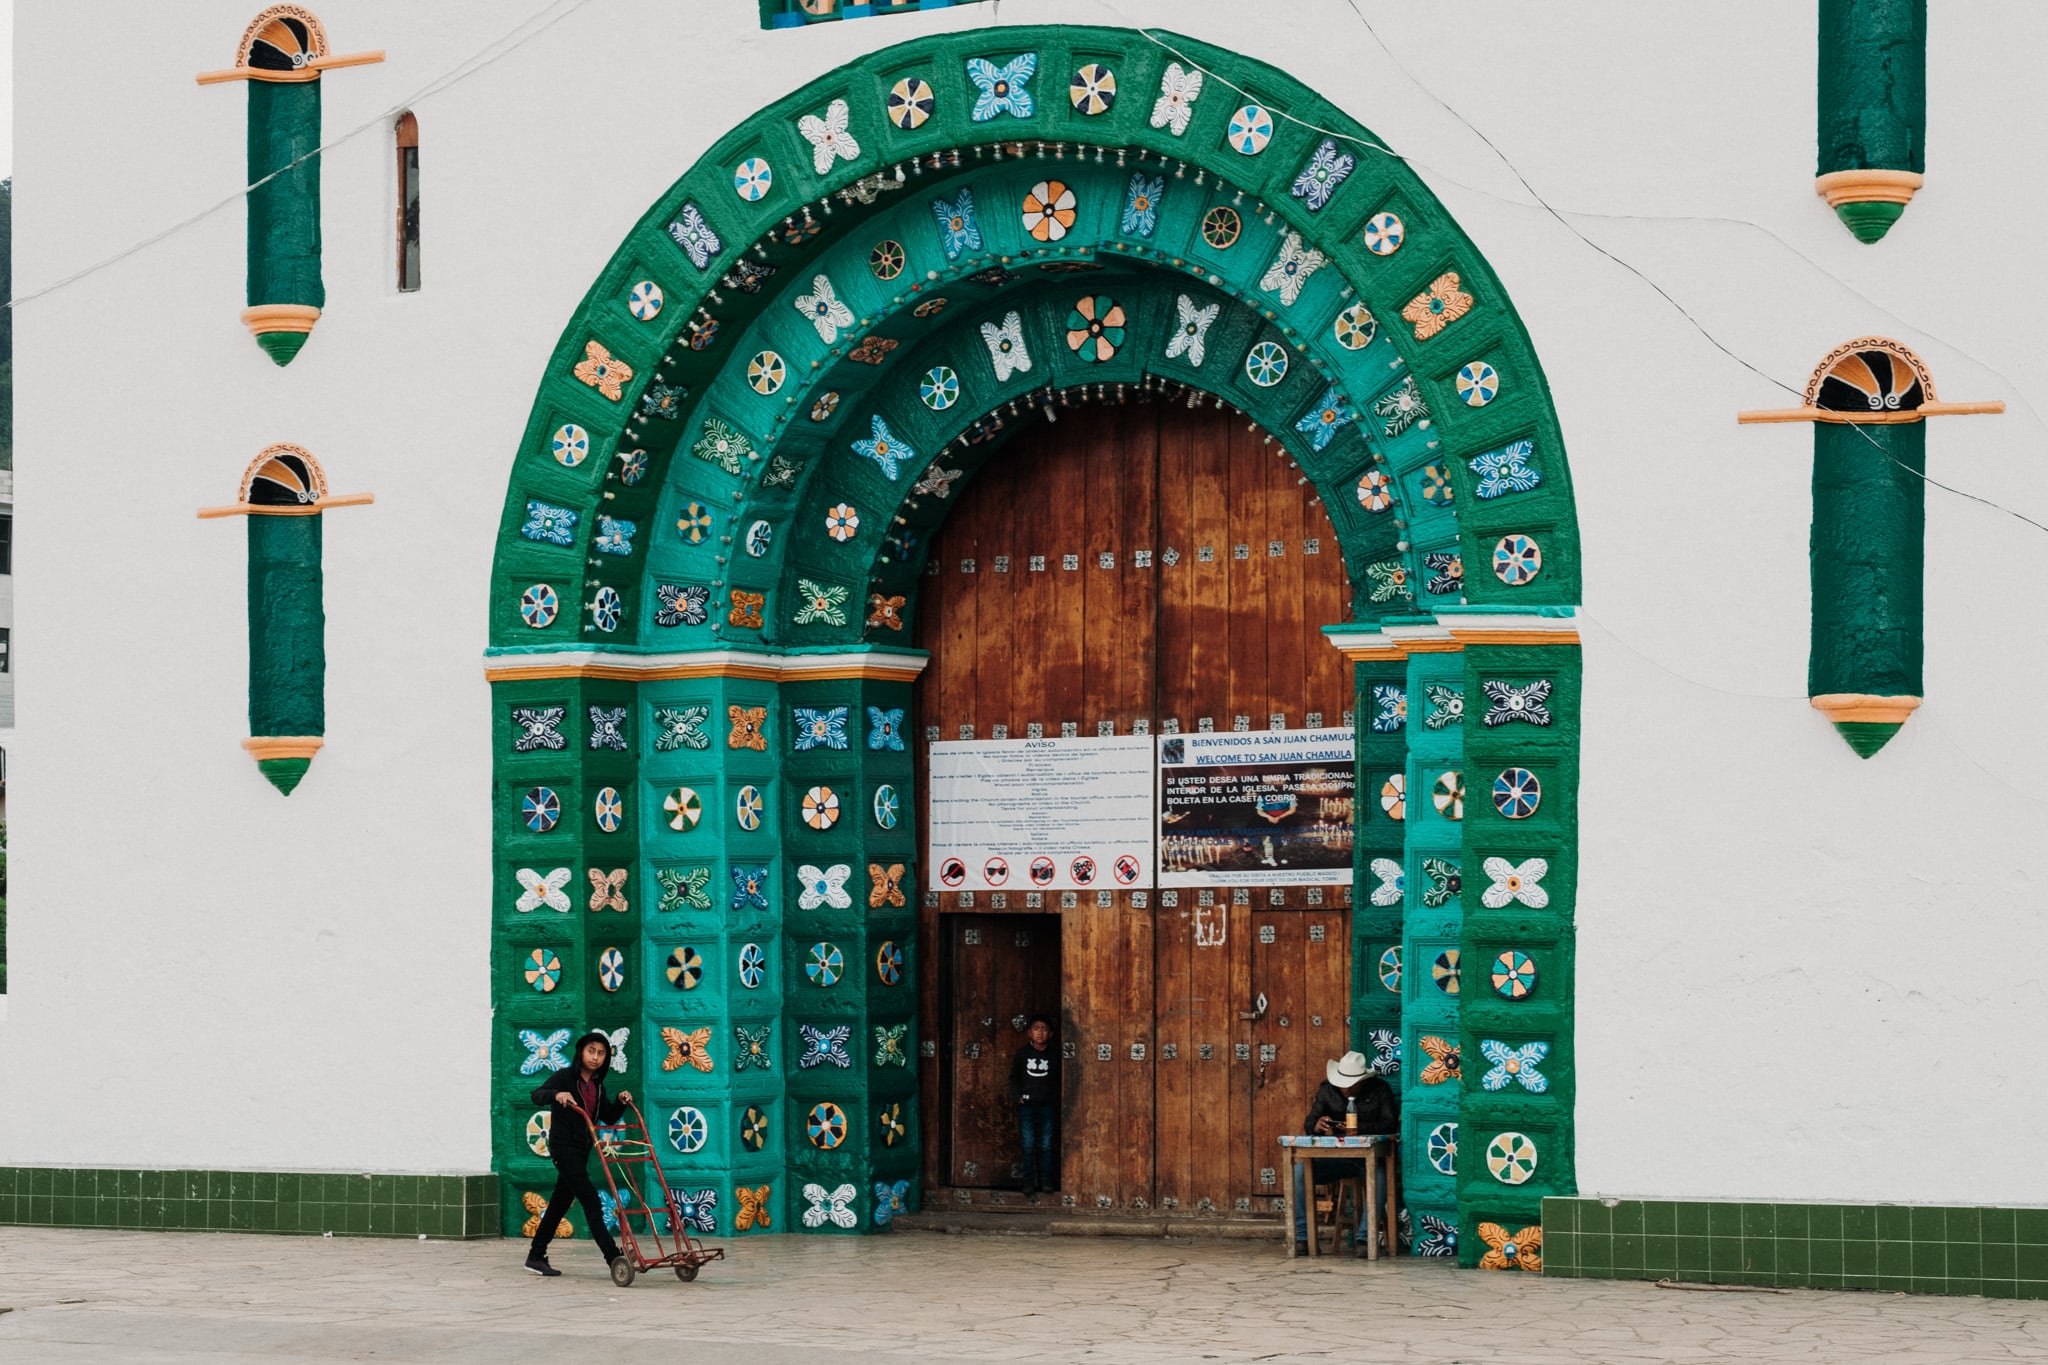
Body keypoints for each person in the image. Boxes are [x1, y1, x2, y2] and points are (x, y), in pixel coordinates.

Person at [525, 1030, 632, 1277]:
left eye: (601, 1053)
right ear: (581, 1053)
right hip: (563, 1149)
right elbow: (536, 1095)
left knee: (559, 1204)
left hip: (581, 1151)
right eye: (591, 1051)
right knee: (592, 1202)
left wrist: (620, 1100)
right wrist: (556, 1094)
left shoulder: (597, 1085)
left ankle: (536, 1255)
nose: (595, 1057)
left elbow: (608, 1116)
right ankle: (613, 1257)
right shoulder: (564, 1078)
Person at [1292, 1049, 1399, 1255]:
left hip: (1367, 1159)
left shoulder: (1380, 1089)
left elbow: (1390, 1124)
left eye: (1351, 1085)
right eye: (1342, 1084)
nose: (1346, 1089)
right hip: (1335, 1158)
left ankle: (1364, 1239)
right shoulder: (1327, 1090)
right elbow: (1309, 1122)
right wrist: (1317, 1125)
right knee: (1299, 1172)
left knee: (1379, 1175)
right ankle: (1303, 1238)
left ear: (1362, 1082)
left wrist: (1360, 1129)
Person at [1010, 1015, 1061, 1196]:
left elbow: (1059, 1080)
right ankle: (1029, 1184)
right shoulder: (1022, 1055)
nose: (1040, 1033)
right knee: (1028, 1144)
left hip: (1047, 1106)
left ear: (1051, 1034)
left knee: (1046, 1144)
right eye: (1036, 1029)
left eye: (1044, 1029)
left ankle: (1047, 1182)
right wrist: (1017, 1097)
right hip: (1027, 1106)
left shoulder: (1055, 1056)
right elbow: (1014, 1078)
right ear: (1029, 1033)